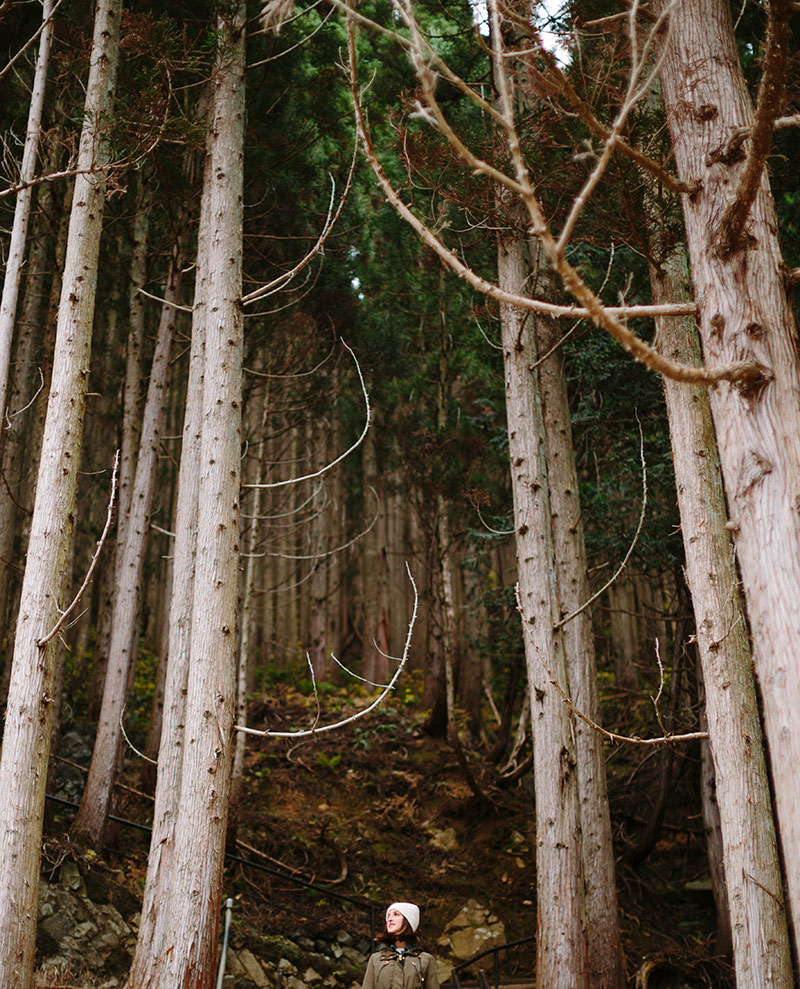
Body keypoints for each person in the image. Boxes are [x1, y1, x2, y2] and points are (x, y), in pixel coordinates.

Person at [361, 901, 440, 989]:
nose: (390, 919)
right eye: (388, 916)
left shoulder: (426, 960)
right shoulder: (376, 959)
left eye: (396, 914)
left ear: (409, 920)